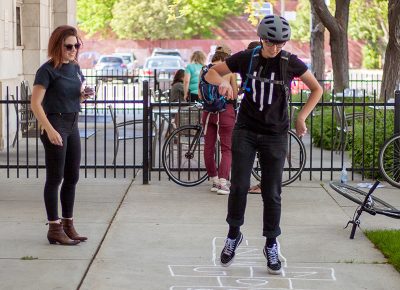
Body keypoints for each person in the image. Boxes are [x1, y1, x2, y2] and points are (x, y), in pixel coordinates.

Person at [204, 15, 322, 274]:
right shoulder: (248, 58)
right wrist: (223, 80)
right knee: (239, 186)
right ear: (261, 38)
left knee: (272, 192)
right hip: (246, 129)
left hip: (275, 134)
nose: (276, 47)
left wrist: (301, 116)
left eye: (281, 43)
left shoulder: (290, 62)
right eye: (271, 42)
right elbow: (211, 72)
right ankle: (233, 235)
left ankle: (271, 242)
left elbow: (317, 89)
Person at [31, 25, 93, 245]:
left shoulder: (75, 68)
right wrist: (49, 129)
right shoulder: (47, 70)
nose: (74, 49)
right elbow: (35, 103)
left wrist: (83, 96)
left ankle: (68, 224)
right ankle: (54, 228)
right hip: (55, 123)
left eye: (77, 45)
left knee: (72, 177)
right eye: (69, 46)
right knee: (55, 178)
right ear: (58, 45)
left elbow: (73, 97)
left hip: (73, 123)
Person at [199, 46, 237, 195]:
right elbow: (233, 95)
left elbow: (201, 96)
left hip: (208, 113)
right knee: (226, 148)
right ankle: (223, 182)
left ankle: (214, 180)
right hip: (225, 112)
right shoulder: (229, 72)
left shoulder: (204, 70)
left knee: (208, 147)